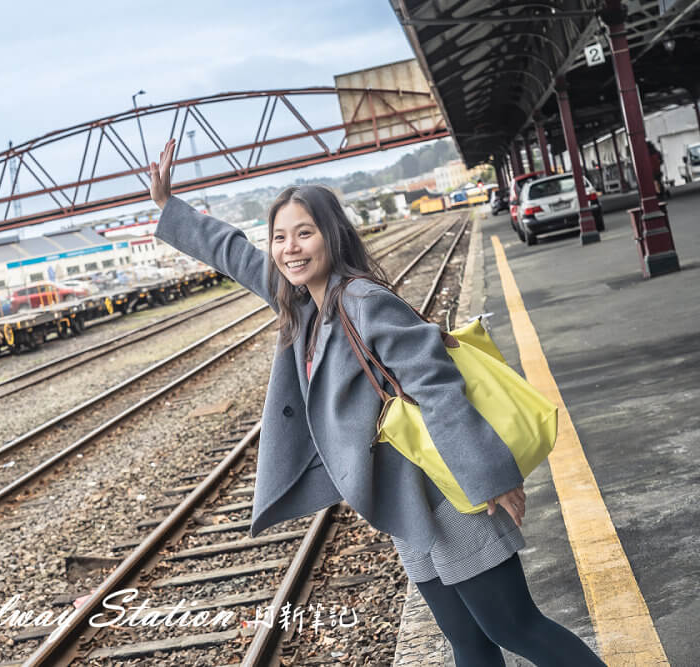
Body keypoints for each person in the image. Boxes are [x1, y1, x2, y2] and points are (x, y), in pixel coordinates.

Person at [148, 139, 605, 666]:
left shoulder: (364, 302)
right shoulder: (304, 306)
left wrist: (492, 477)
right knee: (468, 642)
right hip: (405, 505)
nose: (289, 248)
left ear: (332, 236)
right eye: (279, 237)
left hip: (447, 491)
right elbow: (236, 256)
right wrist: (169, 208)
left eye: (304, 233)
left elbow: (438, 387)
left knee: (517, 628)